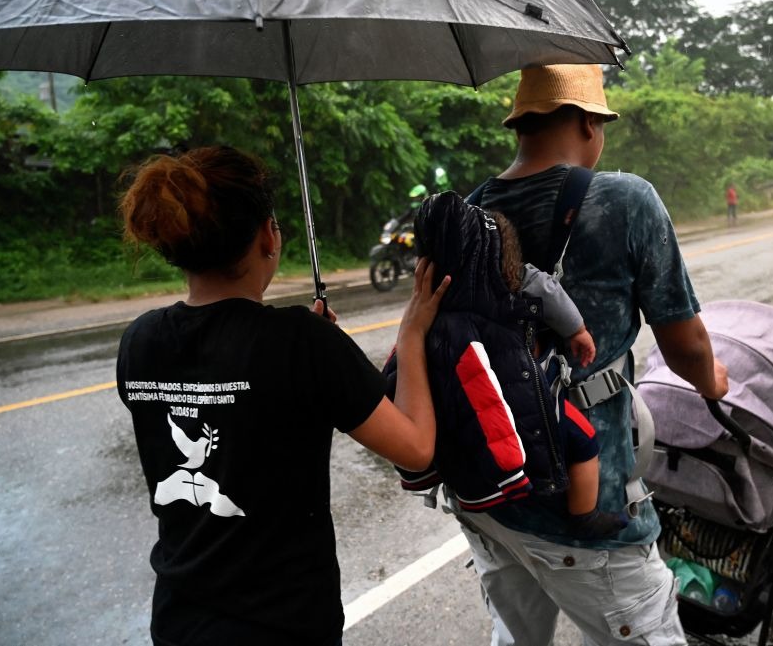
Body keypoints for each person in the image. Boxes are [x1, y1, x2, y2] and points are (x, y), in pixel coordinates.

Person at [115, 145, 448, 646]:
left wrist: (311, 360)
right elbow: (417, 447)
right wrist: (412, 334)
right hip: (286, 622)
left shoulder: (139, 340)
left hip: (180, 620)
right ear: (268, 236)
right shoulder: (300, 342)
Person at [460, 64, 729, 646]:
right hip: (587, 511)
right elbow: (685, 346)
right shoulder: (626, 200)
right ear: (587, 122)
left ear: (521, 126)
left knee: (515, 635)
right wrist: (715, 383)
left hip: (490, 495)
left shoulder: (471, 209)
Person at [389, 191, 628, 539]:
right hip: (521, 401)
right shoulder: (512, 283)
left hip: (465, 439)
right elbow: (547, 289)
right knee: (585, 441)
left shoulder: (428, 309)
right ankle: (584, 515)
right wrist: (578, 331)